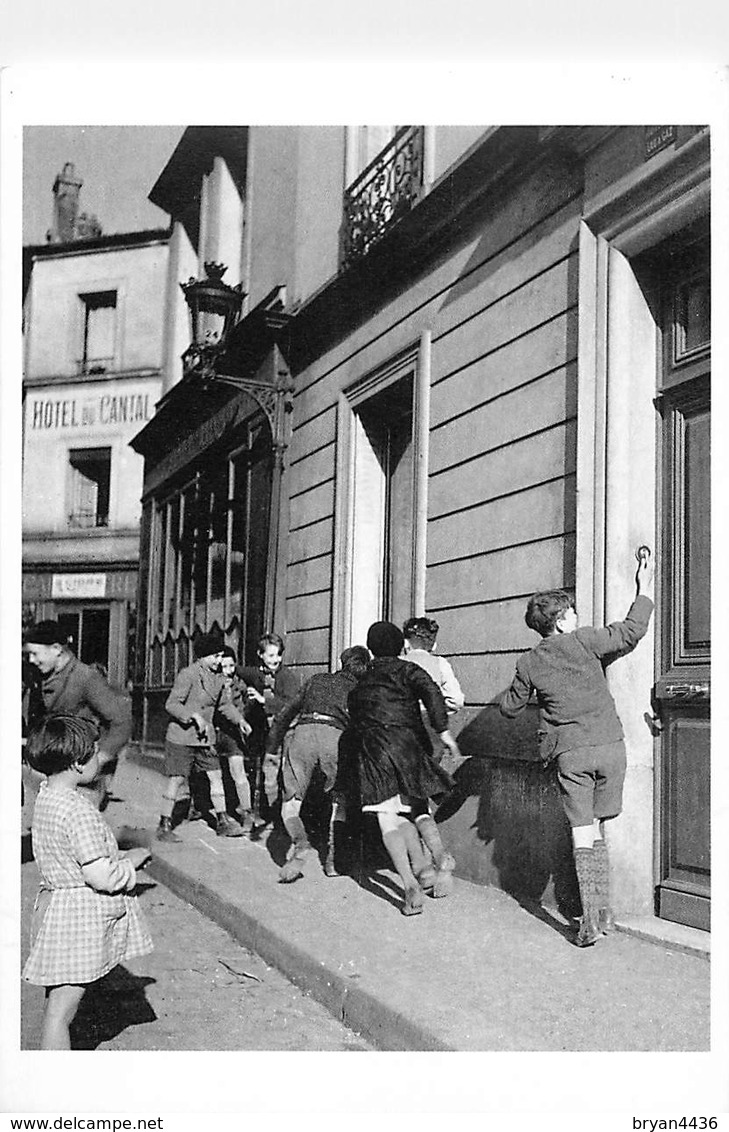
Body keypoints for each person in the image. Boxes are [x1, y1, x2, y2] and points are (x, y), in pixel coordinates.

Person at [500, 549, 655, 947]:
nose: (575, 615)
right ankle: (604, 913)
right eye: (571, 611)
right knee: (601, 826)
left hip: (570, 752)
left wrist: (533, 690)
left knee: (582, 831)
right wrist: (644, 588)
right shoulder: (586, 641)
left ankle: (590, 918)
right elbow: (629, 632)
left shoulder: (529, 660)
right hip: (609, 744)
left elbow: (510, 707)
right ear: (562, 619)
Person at [22, 713, 153, 1049]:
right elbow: (100, 876)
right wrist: (131, 863)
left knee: (58, 1000)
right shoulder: (77, 811)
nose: (99, 758)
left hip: (55, 907)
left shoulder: (48, 798)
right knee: (62, 1013)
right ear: (79, 764)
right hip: (77, 917)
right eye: (95, 752)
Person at [347, 621, 462, 916]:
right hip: (409, 745)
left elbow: (355, 714)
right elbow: (432, 692)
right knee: (417, 805)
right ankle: (438, 854)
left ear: (371, 649)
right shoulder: (408, 670)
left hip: (376, 751)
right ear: (401, 646)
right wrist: (443, 731)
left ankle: (409, 885)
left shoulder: (362, 679)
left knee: (388, 818)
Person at [265, 645, 370, 883]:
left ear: (342, 663)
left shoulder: (316, 679)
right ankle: (333, 862)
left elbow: (286, 713)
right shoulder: (360, 690)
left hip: (302, 734)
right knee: (338, 801)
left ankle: (300, 843)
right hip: (336, 737)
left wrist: (271, 747)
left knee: (291, 802)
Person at [23, 620, 132, 810]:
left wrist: (100, 758)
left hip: (81, 773)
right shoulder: (41, 676)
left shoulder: (85, 677)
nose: (31, 660)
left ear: (56, 649)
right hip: (56, 768)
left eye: (35, 654)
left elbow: (122, 722)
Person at [158, 630, 251, 842]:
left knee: (215, 775)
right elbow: (171, 704)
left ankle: (222, 821)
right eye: (215, 656)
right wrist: (193, 716)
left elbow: (224, 705)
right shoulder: (188, 675)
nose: (219, 660)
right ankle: (164, 825)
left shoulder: (218, 679)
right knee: (177, 779)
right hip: (182, 737)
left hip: (204, 739)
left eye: (220, 655)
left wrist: (240, 721)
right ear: (202, 656)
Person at [237, 633, 302, 829]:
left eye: (278, 656)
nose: (275, 660)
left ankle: (283, 818)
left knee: (284, 774)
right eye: (271, 656)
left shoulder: (287, 677)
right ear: (260, 655)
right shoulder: (257, 673)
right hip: (266, 733)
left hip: (287, 733)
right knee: (267, 774)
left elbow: (291, 704)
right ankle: (269, 813)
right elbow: (239, 670)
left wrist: (263, 700)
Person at [402, 615, 465, 775]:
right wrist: (438, 708)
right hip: (431, 730)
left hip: (402, 729)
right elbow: (456, 700)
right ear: (434, 644)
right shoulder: (440, 664)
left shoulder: (399, 662)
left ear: (406, 642)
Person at [216, 646, 256, 836]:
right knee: (210, 773)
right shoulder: (211, 683)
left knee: (238, 770)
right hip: (214, 732)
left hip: (233, 734)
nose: (229, 670)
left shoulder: (239, 685)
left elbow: (244, 708)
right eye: (224, 666)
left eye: (232, 665)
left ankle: (247, 812)